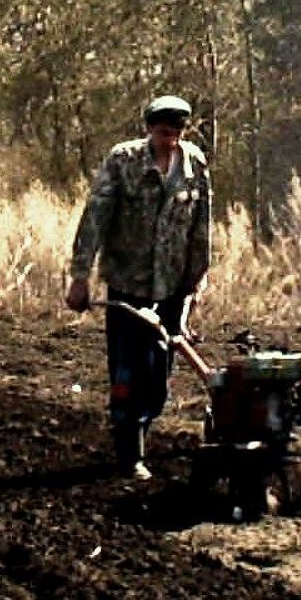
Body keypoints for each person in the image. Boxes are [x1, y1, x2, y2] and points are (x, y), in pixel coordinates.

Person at [65, 95, 211, 480]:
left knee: (158, 375)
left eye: (178, 132)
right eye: (164, 132)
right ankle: (130, 450)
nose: (171, 140)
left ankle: (140, 431)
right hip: (128, 283)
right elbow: (95, 216)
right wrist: (80, 276)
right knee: (128, 371)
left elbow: (201, 226)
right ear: (149, 128)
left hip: (172, 285)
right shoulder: (124, 160)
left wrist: (196, 282)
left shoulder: (195, 163)